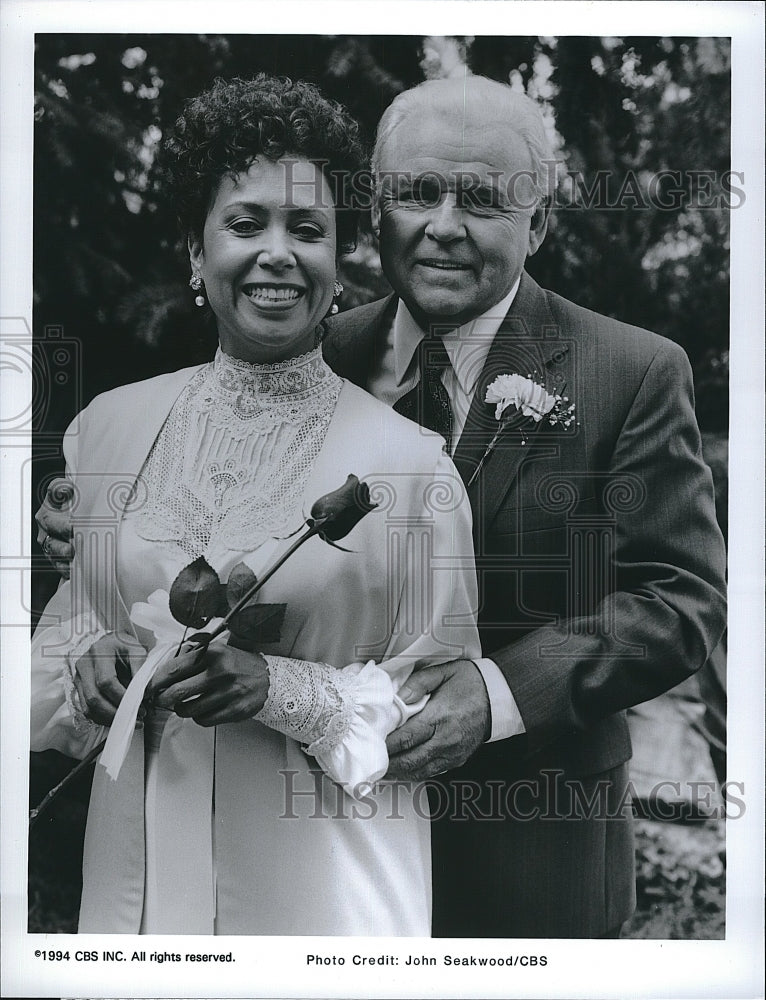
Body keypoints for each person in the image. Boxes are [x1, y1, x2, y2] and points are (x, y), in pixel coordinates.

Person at [38, 74, 728, 939]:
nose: (444, 225)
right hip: (311, 833)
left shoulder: (629, 372)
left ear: (538, 223)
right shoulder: (314, 339)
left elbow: (679, 598)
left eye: (481, 199)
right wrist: (91, 532)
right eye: (416, 193)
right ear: (378, 214)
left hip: (522, 833)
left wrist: (497, 691)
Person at [30, 75, 481, 936]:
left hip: (323, 896)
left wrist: (279, 688)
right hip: (135, 890)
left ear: (338, 259)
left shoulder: (413, 469)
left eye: (307, 229)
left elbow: (432, 705)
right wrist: (89, 663)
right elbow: (64, 636)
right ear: (196, 255)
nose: (278, 252)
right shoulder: (108, 431)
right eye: (245, 224)